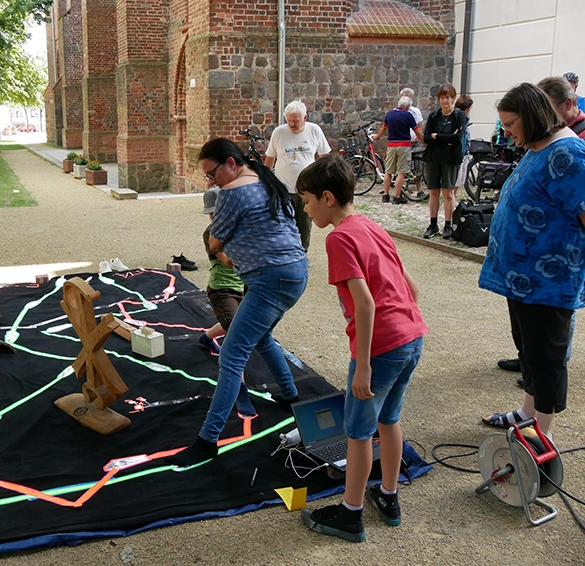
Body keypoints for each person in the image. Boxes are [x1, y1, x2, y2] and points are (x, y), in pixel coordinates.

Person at [296, 154, 427, 543]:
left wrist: (365, 364)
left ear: (327, 197)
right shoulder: (372, 225)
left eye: (306, 200)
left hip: (381, 349)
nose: (305, 208)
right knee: (389, 419)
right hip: (411, 337)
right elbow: (412, 289)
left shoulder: (338, 238)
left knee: (356, 432)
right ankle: (388, 496)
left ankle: (350, 514)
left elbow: (366, 304)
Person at [167, 138, 308, 467]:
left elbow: (215, 240)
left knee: (231, 355)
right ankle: (290, 394)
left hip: (269, 279)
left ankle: (207, 440)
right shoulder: (266, 180)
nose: (211, 182)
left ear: (231, 162)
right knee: (262, 335)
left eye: (212, 173)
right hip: (296, 273)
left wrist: (229, 245)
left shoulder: (232, 193)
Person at [479, 82, 585, 436]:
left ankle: (544, 434)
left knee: (547, 358)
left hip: (548, 282)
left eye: (510, 123)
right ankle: (528, 412)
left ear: (533, 116)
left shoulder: (567, 153)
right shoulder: (538, 146)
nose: (505, 132)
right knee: (529, 351)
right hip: (524, 279)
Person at [198, 187, 256, 417]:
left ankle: (206, 337)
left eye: (219, 212)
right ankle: (240, 388)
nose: (214, 218)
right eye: (211, 213)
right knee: (236, 335)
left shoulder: (239, 228)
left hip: (241, 287)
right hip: (221, 290)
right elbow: (231, 261)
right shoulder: (210, 233)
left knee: (236, 323)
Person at [265, 100, 331, 252]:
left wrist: (325, 180)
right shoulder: (279, 132)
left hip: (307, 187)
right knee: (283, 220)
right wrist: (265, 181)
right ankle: (285, 250)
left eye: (296, 121)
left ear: (305, 118)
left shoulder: (314, 130)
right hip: (283, 186)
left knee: (304, 221)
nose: (292, 125)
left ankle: (302, 251)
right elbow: (270, 157)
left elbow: (324, 157)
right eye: (289, 121)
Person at [421, 84, 466, 239]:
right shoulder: (434, 116)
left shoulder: (459, 115)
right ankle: (433, 225)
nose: (444, 101)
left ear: (453, 98)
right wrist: (443, 138)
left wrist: (437, 136)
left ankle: (448, 225)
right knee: (433, 192)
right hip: (433, 157)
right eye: (442, 98)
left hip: (451, 158)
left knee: (448, 192)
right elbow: (426, 137)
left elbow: (457, 137)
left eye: (447, 97)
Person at [372, 96, 424, 204]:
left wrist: (377, 136)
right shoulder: (408, 115)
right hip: (404, 146)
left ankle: (386, 195)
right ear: (408, 106)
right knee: (401, 172)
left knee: (388, 171)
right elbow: (417, 130)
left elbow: (383, 128)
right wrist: (424, 140)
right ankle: (396, 196)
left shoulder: (389, 114)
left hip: (391, 145)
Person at [453, 95, 474, 205]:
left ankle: (453, 197)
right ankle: (451, 198)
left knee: (460, 177)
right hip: (459, 152)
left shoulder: (462, 118)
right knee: (456, 177)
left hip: (464, 151)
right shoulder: (458, 118)